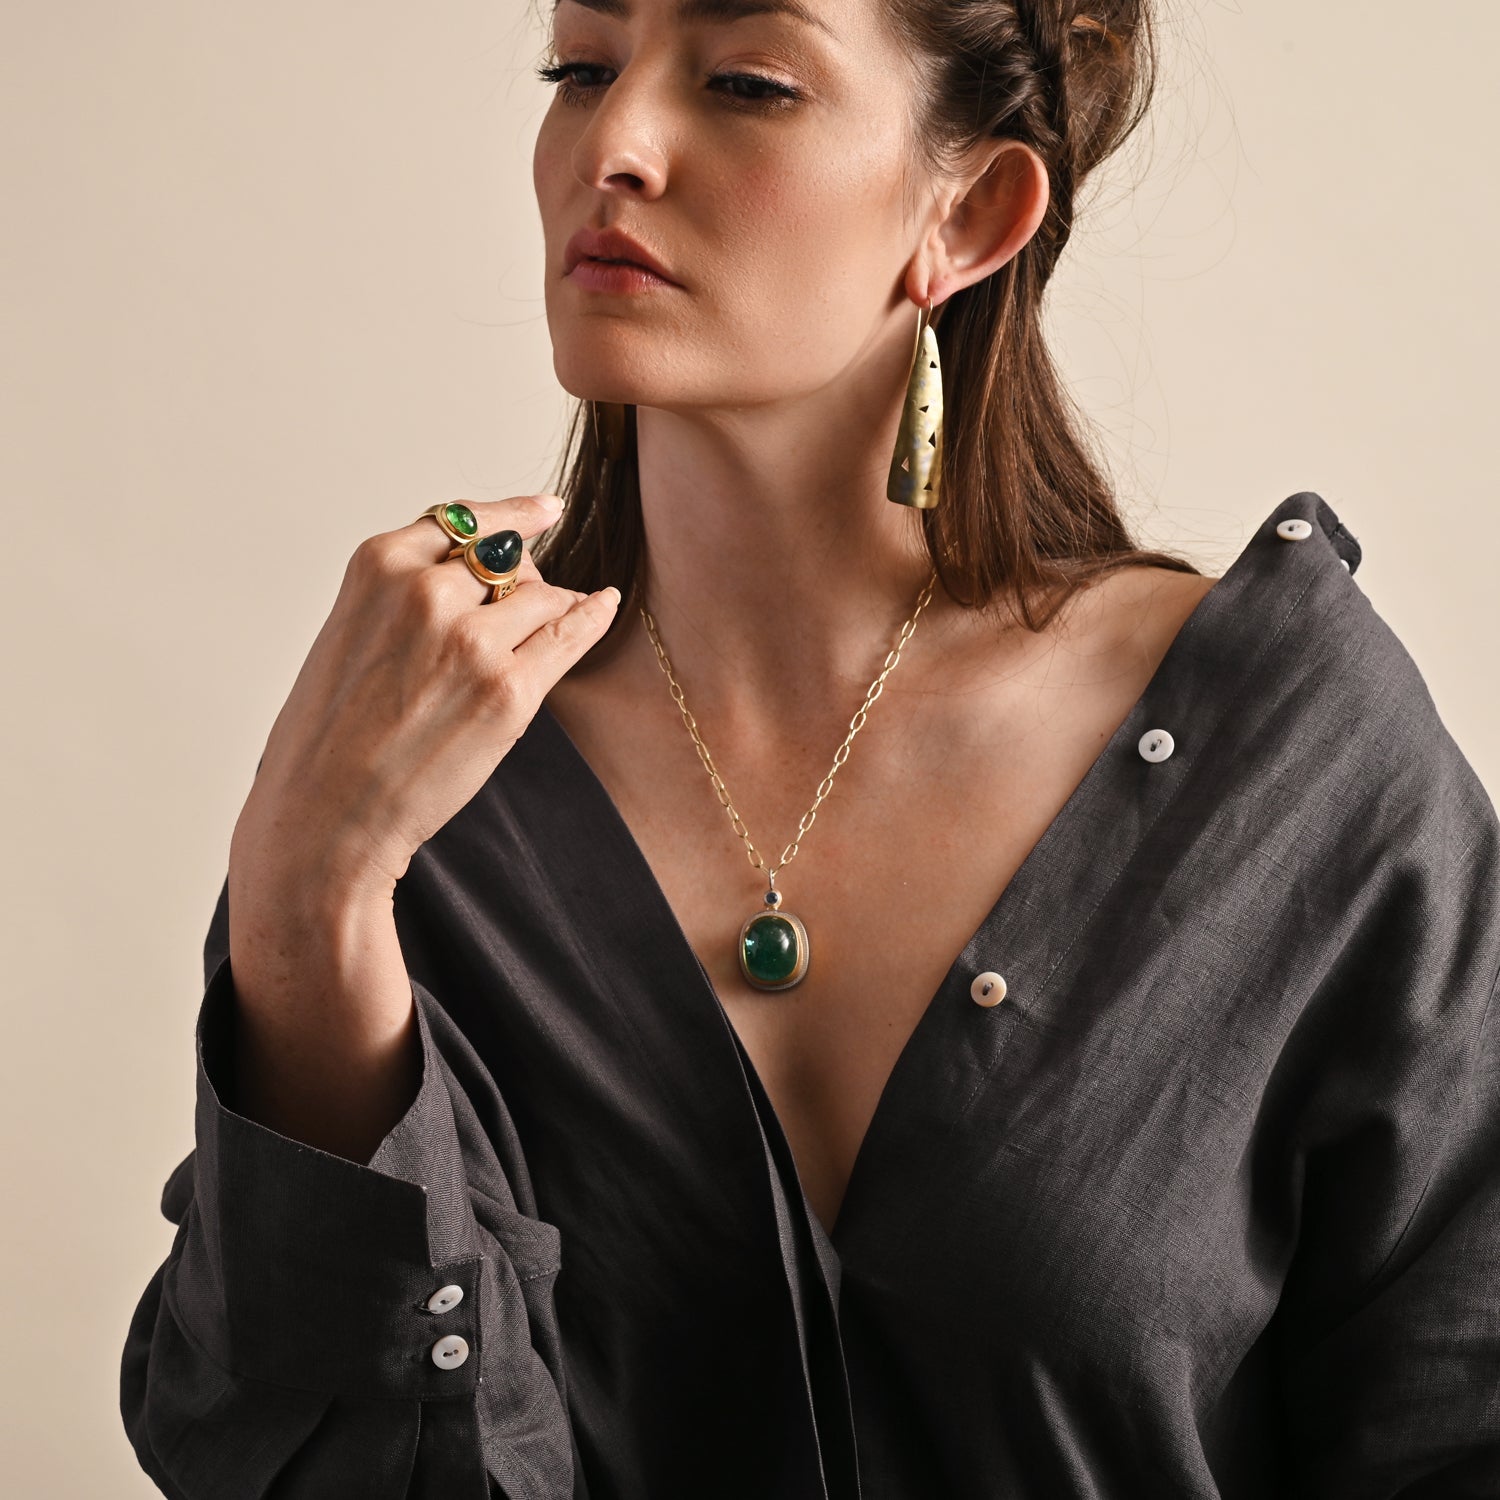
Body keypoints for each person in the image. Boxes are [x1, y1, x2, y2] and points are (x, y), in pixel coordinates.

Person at [120, 0, 1500, 1494]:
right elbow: (315, 1456)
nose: (613, 143)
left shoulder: (1285, 761)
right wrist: (307, 893)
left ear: (969, 215)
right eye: (580, 68)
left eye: (746, 82)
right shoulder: (425, 785)